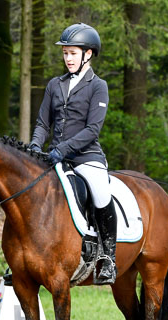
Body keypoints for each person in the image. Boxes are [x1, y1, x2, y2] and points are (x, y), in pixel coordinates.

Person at [29, 22, 117, 284]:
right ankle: (25, 259)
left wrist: (61, 149)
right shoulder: (54, 85)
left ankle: (108, 258)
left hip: (86, 158)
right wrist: (35, 146)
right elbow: (43, 123)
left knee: (101, 192)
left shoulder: (97, 86)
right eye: (65, 53)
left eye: (73, 53)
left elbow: (92, 130)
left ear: (87, 54)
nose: (68, 58)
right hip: (55, 157)